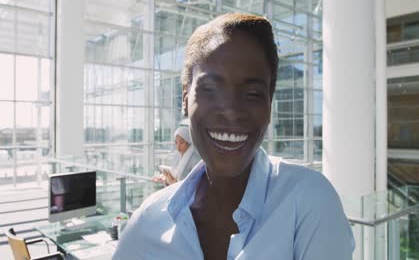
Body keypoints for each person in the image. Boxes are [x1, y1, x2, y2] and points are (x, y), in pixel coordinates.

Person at [114, 13, 354, 260]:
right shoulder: (149, 219)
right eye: (210, 88)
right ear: (185, 99)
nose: (230, 111)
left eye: (252, 93)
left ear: (269, 105)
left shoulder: (309, 202)